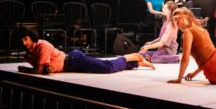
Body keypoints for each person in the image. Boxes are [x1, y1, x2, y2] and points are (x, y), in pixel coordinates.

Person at [18, 28, 154, 74]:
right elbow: (44, 68)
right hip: (70, 66)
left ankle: (129, 57)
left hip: (74, 60)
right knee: (102, 66)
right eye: (22, 40)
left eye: (26, 39)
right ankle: (136, 63)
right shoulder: (28, 55)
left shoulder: (43, 46)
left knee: (107, 68)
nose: (24, 43)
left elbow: (38, 70)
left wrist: (26, 70)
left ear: (32, 38)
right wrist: (49, 69)